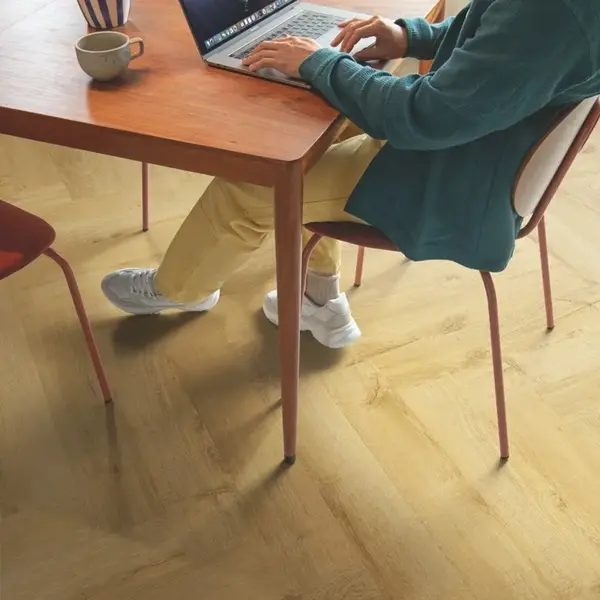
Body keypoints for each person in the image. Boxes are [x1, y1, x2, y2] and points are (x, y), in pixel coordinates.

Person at [102, 0, 600, 348]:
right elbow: (492, 36)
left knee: (257, 182)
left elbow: (422, 116)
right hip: (473, 145)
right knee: (298, 129)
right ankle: (319, 298)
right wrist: (408, 36)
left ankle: (180, 287)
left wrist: (320, 63)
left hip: (449, 178)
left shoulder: (552, 12)